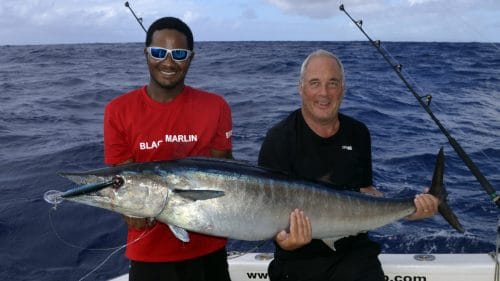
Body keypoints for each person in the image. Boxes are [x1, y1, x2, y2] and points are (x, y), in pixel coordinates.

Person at [258, 49, 439, 281]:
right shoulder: (279, 139)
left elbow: (364, 194)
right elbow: (268, 214)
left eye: (332, 83)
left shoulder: (358, 132)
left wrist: (410, 209)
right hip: (298, 262)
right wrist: (288, 243)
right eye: (315, 83)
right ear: (300, 88)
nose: (324, 93)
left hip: (355, 256)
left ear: (343, 88)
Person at [103, 17, 232, 281]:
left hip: (209, 251)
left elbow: (227, 172)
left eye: (179, 54)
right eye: (159, 52)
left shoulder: (216, 106)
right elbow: (124, 182)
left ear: (191, 58)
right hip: (149, 255)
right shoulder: (118, 111)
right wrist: (129, 212)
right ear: (146, 54)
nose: (169, 63)